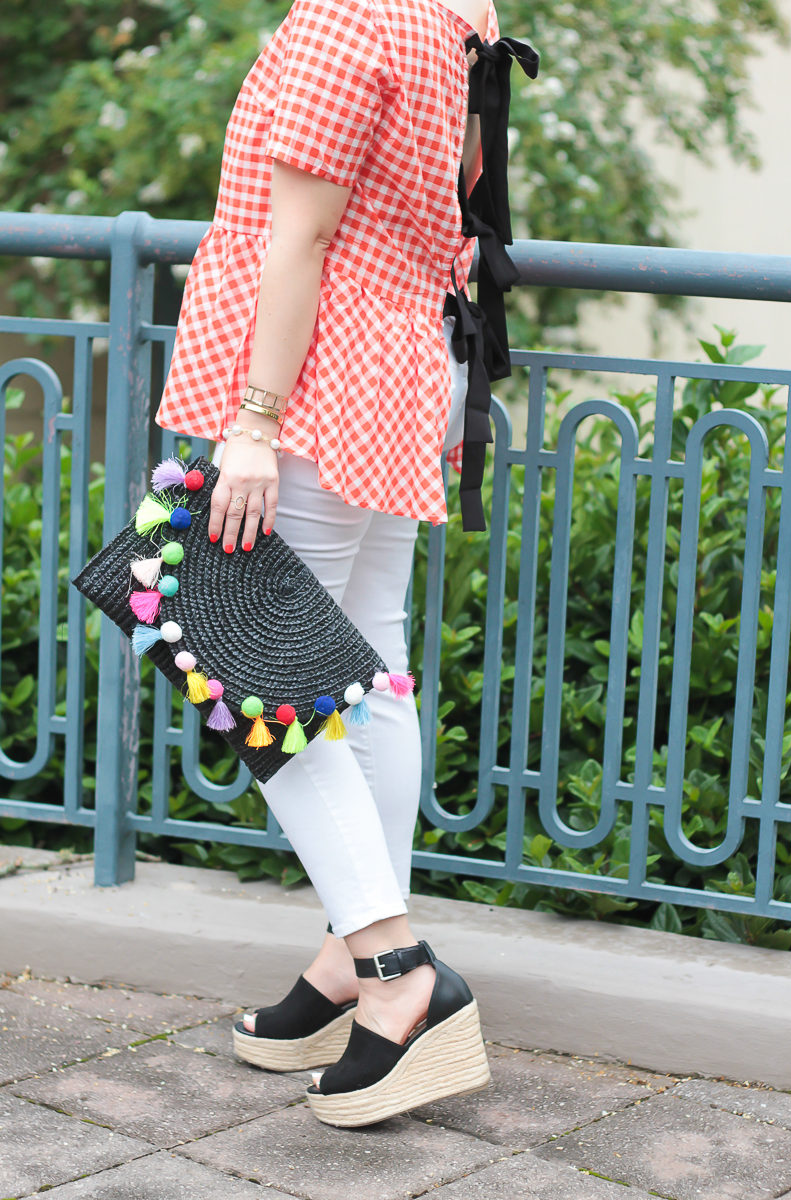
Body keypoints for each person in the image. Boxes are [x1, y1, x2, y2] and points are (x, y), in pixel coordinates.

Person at [155, 0, 535, 1128]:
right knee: (368, 671)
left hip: (319, 387)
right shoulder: (454, 13)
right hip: (404, 371)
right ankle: (343, 966)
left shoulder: (342, 22)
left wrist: (255, 422)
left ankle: (398, 969)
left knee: (257, 686)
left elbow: (301, 235)